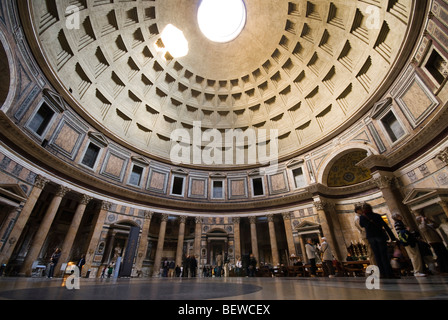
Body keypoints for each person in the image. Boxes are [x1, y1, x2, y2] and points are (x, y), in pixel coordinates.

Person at [359, 203, 397, 279]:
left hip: (371, 237)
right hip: (379, 236)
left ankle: (382, 273)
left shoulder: (362, 217)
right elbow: (386, 226)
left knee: (377, 256)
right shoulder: (377, 216)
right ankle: (389, 273)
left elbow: (361, 225)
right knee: (384, 255)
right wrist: (393, 238)